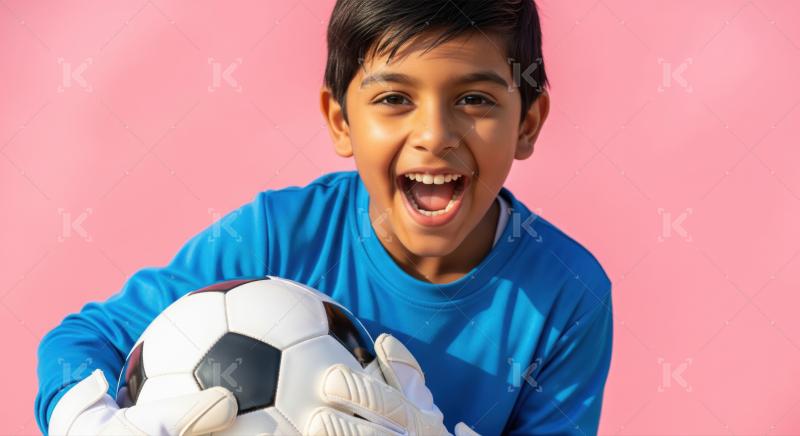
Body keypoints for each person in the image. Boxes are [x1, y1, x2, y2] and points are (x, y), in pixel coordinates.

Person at [35, 0, 614, 434]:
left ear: (528, 124)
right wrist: (82, 421)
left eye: (475, 99)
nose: (435, 136)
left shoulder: (568, 295)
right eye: (394, 99)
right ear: (340, 120)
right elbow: (84, 339)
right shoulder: (278, 236)